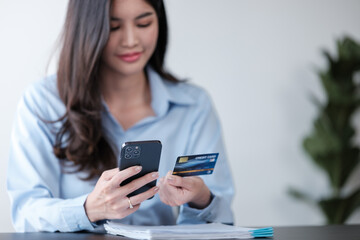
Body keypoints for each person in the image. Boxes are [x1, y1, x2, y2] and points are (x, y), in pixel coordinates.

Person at [7, 0, 234, 232]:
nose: (130, 41)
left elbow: (222, 218)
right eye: (113, 27)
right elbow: (26, 212)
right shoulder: (44, 102)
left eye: (143, 23)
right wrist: (89, 209)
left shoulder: (193, 105)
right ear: (87, 30)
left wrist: (201, 200)